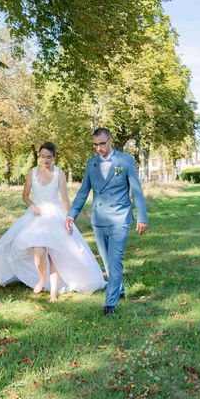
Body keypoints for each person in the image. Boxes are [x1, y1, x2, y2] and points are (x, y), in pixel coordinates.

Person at [0, 142, 106, 302]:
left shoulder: (59, 173)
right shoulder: (32, 173)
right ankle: (42, 278)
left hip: (55, 215)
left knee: (54, 253)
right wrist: (33, 205)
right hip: (36, 216)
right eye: (42, 157)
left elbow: (64, 198)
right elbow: (25, 195)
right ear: (39, 157)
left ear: (54, 157)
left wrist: (69, 218)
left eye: (49, 157)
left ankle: (53, 293)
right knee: (39, 253)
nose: (45, 160)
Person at [65, 128, 148, 317]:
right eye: (95, 145)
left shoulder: (125, 161)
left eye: (102, 144)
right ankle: (118, 289)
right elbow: (83, 191)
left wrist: (142, 217)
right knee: (107, 262)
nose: (99, 148)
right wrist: (72, 214)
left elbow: (136, 191)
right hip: (98, 219)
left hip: (120, 218)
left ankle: (110, 304)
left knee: (115, 259)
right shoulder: (91, 164)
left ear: (110, 141)